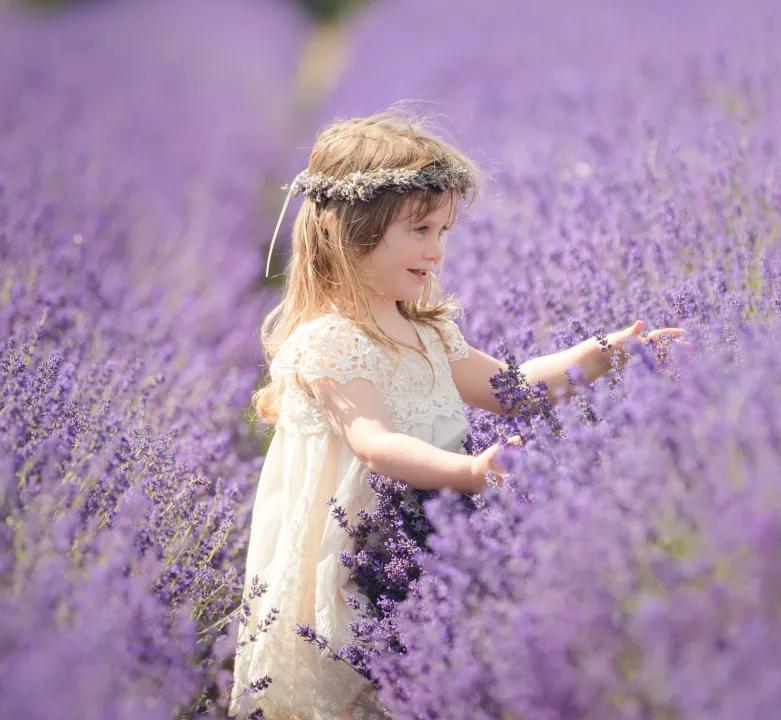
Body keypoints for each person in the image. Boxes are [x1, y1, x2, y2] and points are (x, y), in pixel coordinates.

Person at [229, 108, 685, 719]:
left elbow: (512, 389)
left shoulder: (428, 333)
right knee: (360, 689)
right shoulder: (328, 343)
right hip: (359, 551)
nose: (437, 251)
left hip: (431, 531)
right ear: (352, 233)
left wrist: (603, 355)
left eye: (443, 232)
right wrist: (468, 471)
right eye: (420, 231)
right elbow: (375, 443)